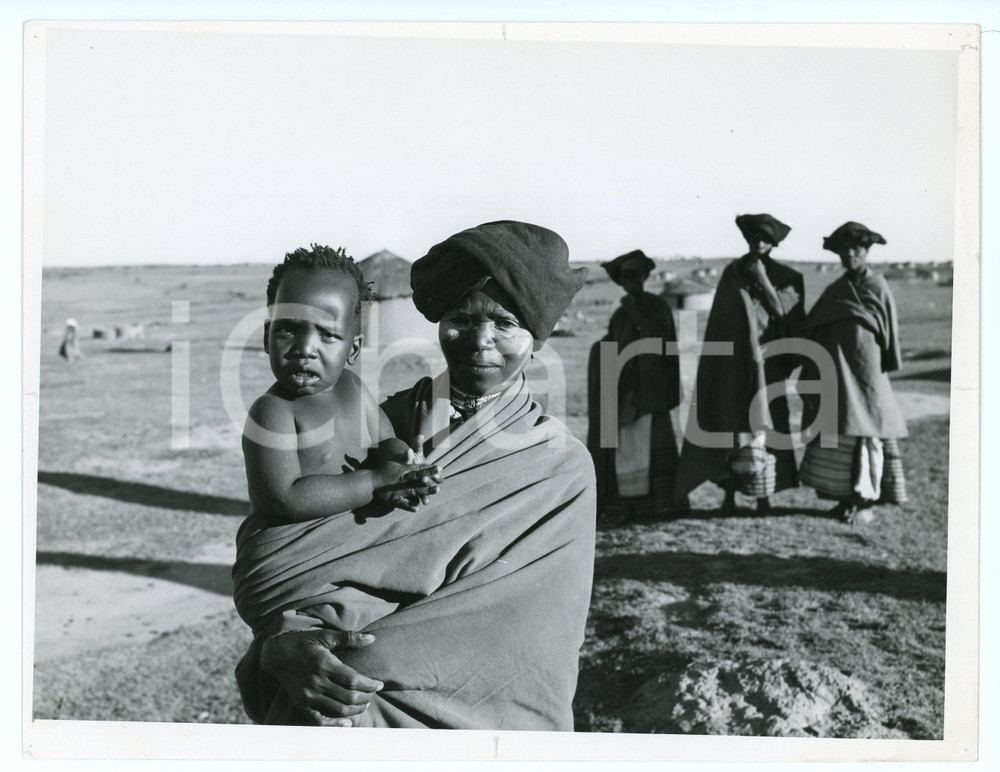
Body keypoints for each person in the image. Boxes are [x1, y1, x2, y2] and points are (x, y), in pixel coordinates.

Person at [233, 221, 596, 730]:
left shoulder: (556, 470)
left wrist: (362, 664)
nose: (479, 340)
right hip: (333, 709)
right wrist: (281, 644)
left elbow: (526, 637)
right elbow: (287, 553)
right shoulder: (381, 422)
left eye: (504, 323)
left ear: (537, 338)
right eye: (459, 318)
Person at [241, 244, 442, 530]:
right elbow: (284, 498)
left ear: (354, 348)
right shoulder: (273, 412)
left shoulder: (353, 388)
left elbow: (384, 440)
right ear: (266, 336)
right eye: (287, 329)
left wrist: (403, 466)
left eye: (327, 334)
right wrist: (375, 482)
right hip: (295, 560)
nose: (305, 348)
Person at [676, 214, 804, 515]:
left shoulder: (787, 276)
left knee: (766, 427)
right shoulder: (732, 272)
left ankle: (764, 496)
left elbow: (787, 316)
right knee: (732, 427)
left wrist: (762, 280)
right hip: (733, 365)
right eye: (753, 238)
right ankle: (730, 495)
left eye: (764, 239)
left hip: (768, 362)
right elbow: (723, 318)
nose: (757, 243)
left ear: (774, 243)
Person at [798, 222, 908, 524]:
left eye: (855, 250)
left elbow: (889, 331)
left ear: (866, 252)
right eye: (844, 250)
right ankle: (845, 498)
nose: (849, 255)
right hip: (836, 375)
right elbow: (812, 326)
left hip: (866, 373)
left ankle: (865, 501)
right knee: (841, 434)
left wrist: (885, 363)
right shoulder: (835, 291)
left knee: (867, 432)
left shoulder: (878, 286)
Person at [587, 249, 687, 521]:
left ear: (644, 277)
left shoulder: (657, 306)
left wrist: (633, 309)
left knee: (652, 447)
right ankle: (626, 507)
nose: (631, 282)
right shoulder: (620, 315)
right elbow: (613, 344)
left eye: (636, 277)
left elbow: (658, 339)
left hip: (651, 389)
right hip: (624, 390)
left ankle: (659, 507)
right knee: (627, 449)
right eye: (626, 278)